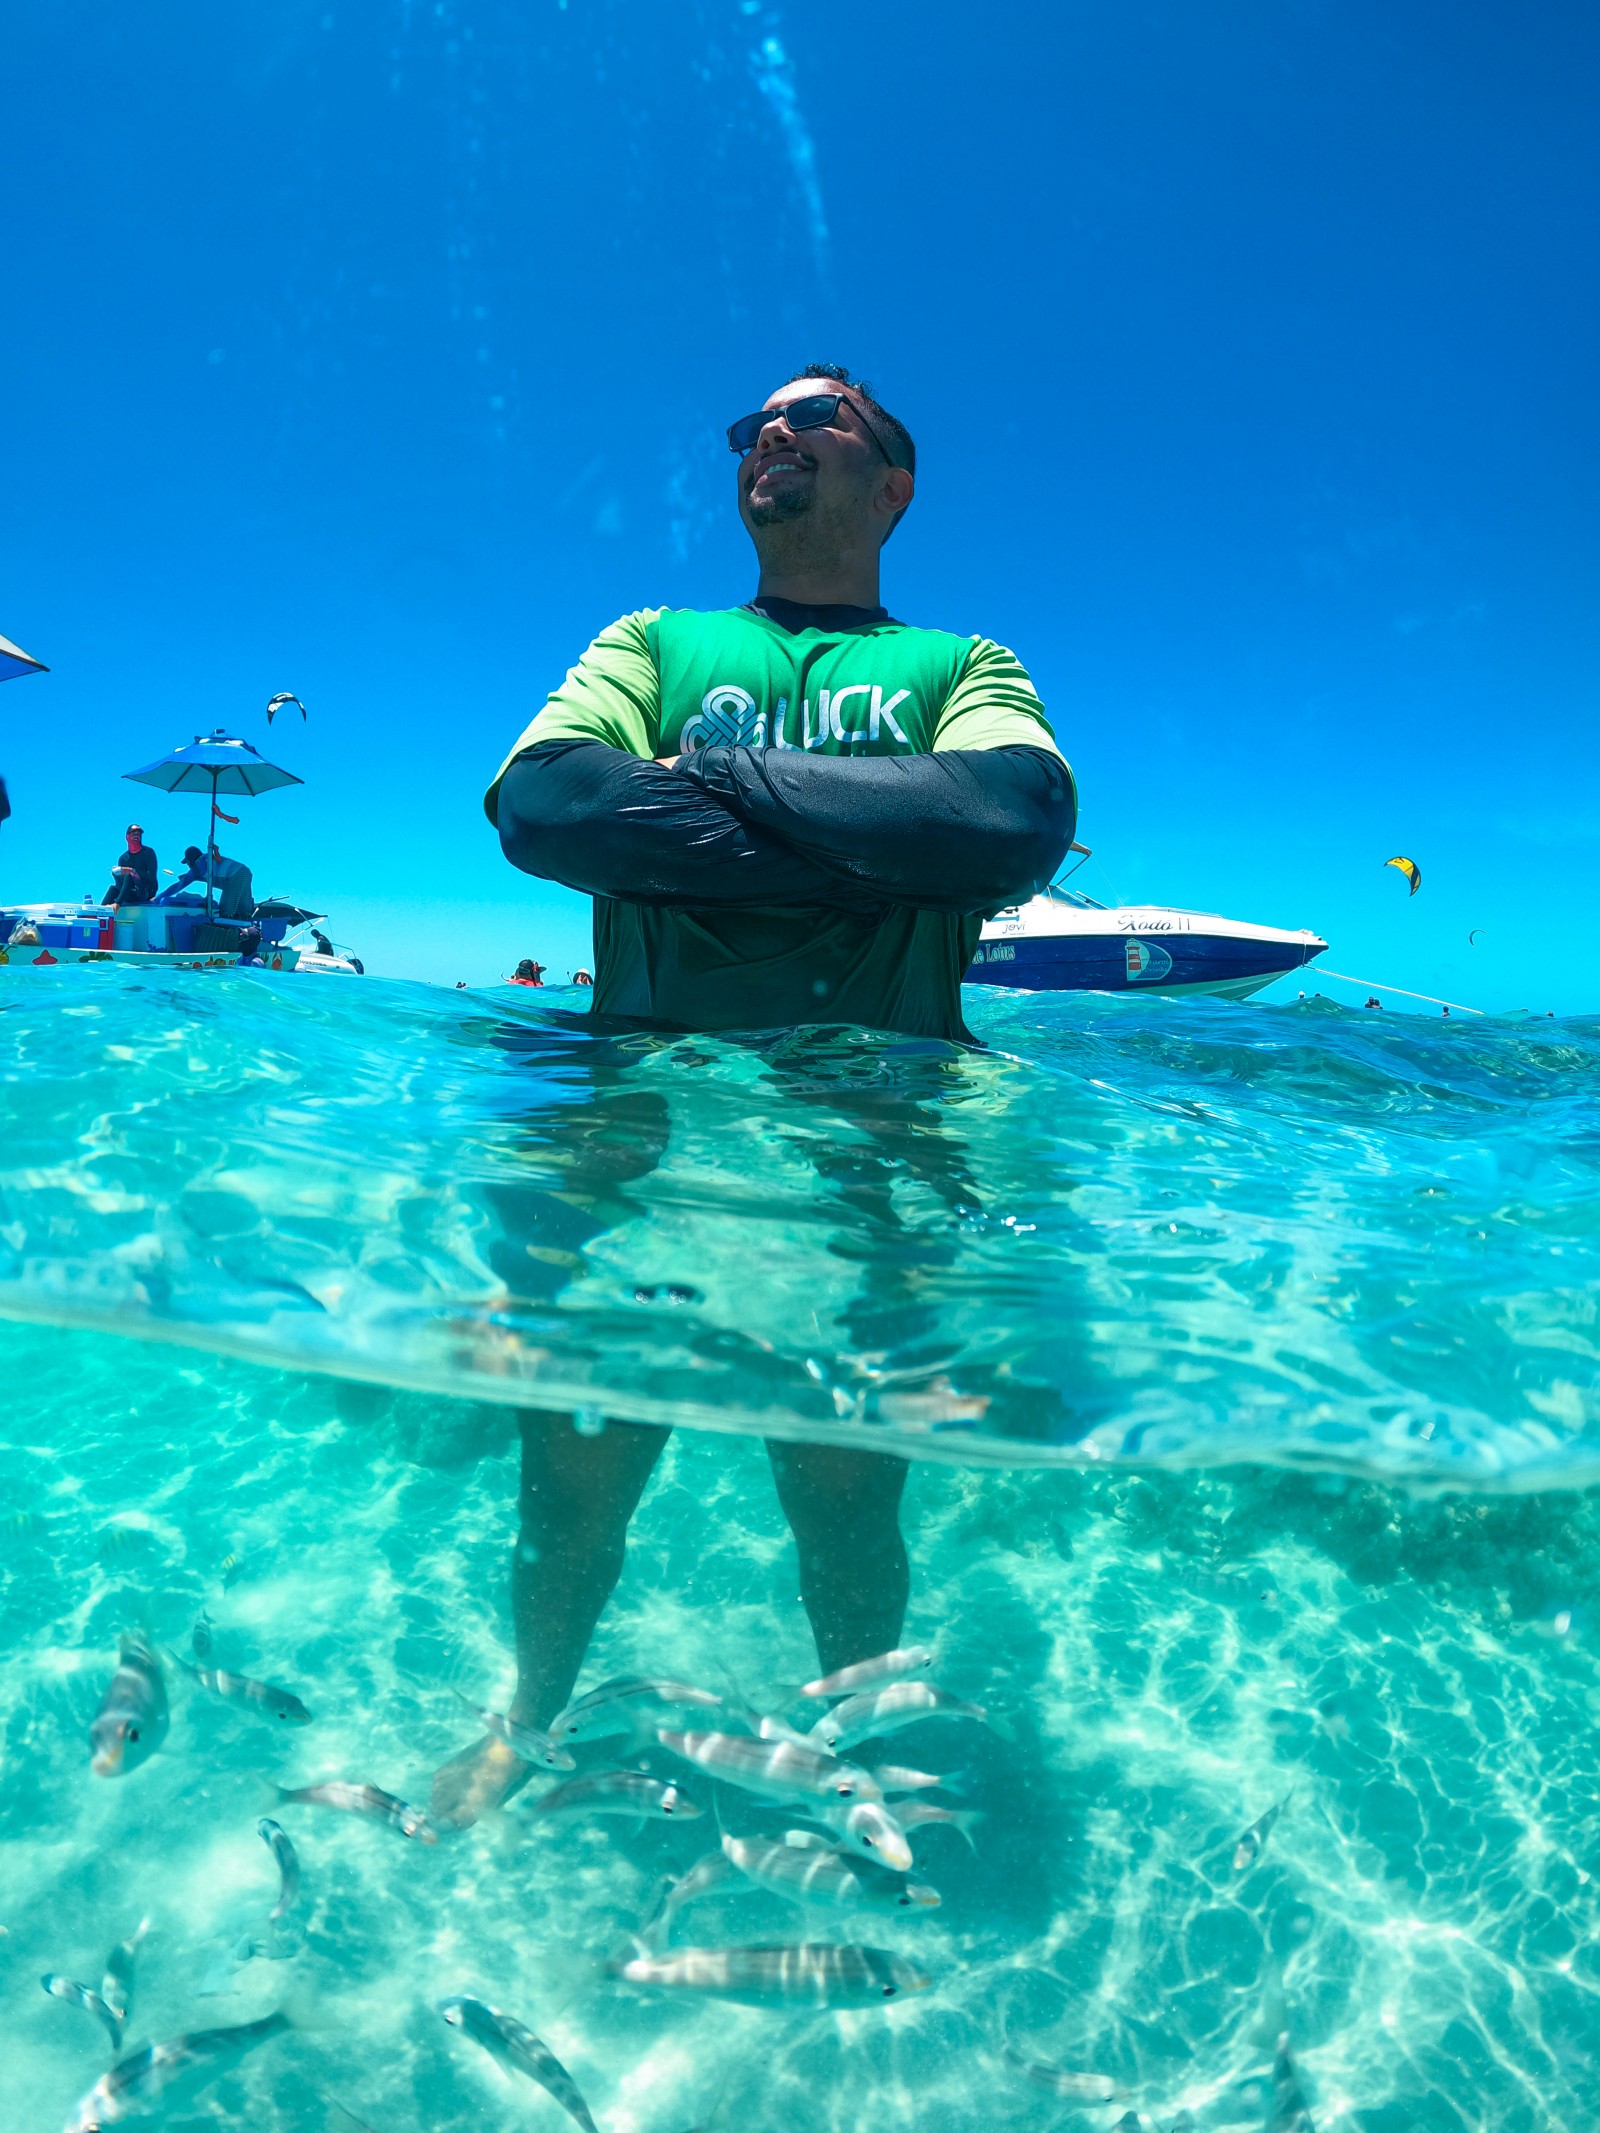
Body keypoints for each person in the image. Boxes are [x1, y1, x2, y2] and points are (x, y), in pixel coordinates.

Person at [435, 363, 1076, 1829]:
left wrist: (708, 771)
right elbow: (549, 807)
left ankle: (868, 1747)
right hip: (636, 1133)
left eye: (815, 420)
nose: (768, 435)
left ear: (893, 484)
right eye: (751, 426)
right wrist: (880, 848)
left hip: (875, 1150)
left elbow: (1010, 825)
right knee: (577, 1469)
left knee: (847, 1490)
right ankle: (525, 1716)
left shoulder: (965, 663)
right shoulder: (655, 635)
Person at [156, 842, 254, 921]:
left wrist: (158, 898)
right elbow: (210, 875)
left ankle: (229, 936)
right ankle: (248, 932)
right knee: (243, 909)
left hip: (234, 876)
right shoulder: (206, 860)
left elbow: (179, 885)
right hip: (244, 872)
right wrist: (188, 876)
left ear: (190, 861)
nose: (188, 866)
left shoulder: (199, 865)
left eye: (188, 863)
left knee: (226, 911)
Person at [105, 824, 158, 906]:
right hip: (129, 894)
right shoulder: (123, 858)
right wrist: (116, 874)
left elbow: (151, 878)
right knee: (113, 889)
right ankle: (100, 912)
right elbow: (121, 883)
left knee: (129, 875)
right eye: (134, 833)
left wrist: (133, 872)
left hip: (144, 892)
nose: (137, 836)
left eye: (139, 834)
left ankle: (117, 904)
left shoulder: (148, 853)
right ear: (127, 837)